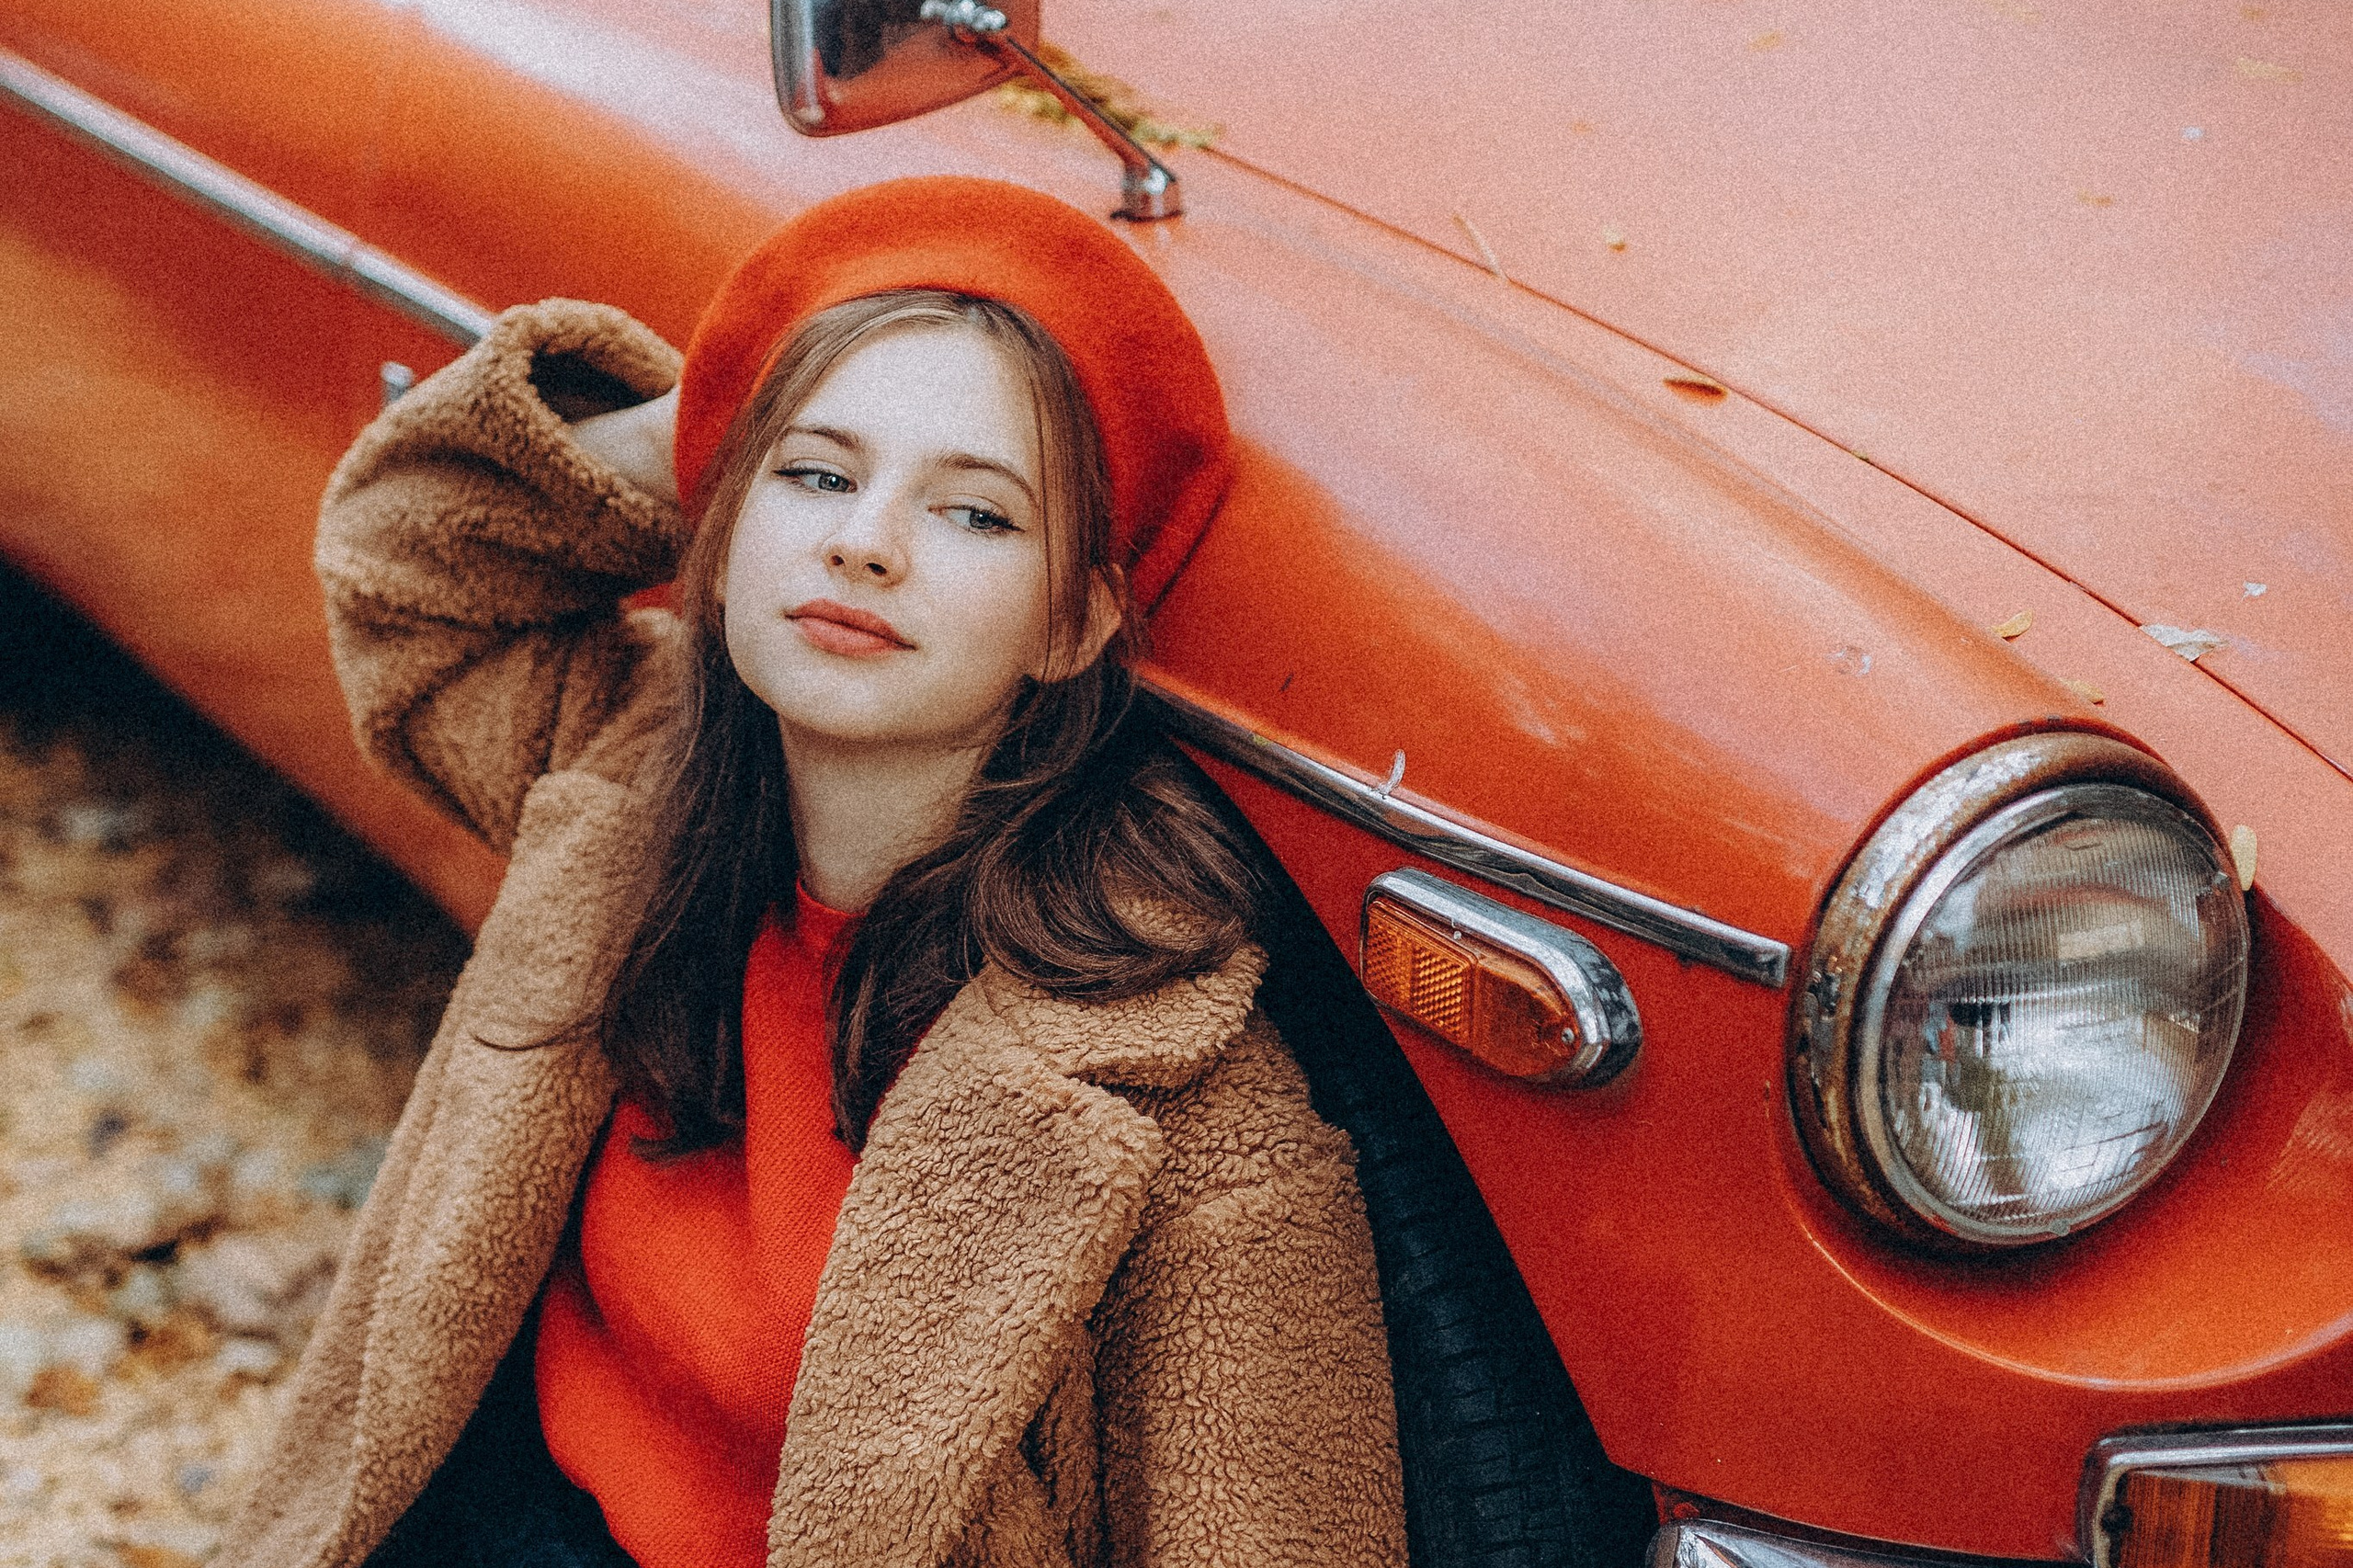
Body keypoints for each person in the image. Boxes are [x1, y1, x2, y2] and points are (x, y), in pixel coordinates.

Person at [216, 176, 1406, 1568]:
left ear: (1074, 622)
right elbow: (407, 568)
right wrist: (720, 411)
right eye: (820, 478)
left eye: (977, 514)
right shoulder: (627, 779)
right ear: (719, 539)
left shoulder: (1187, 1116)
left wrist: (801, 444)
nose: (863, 541)